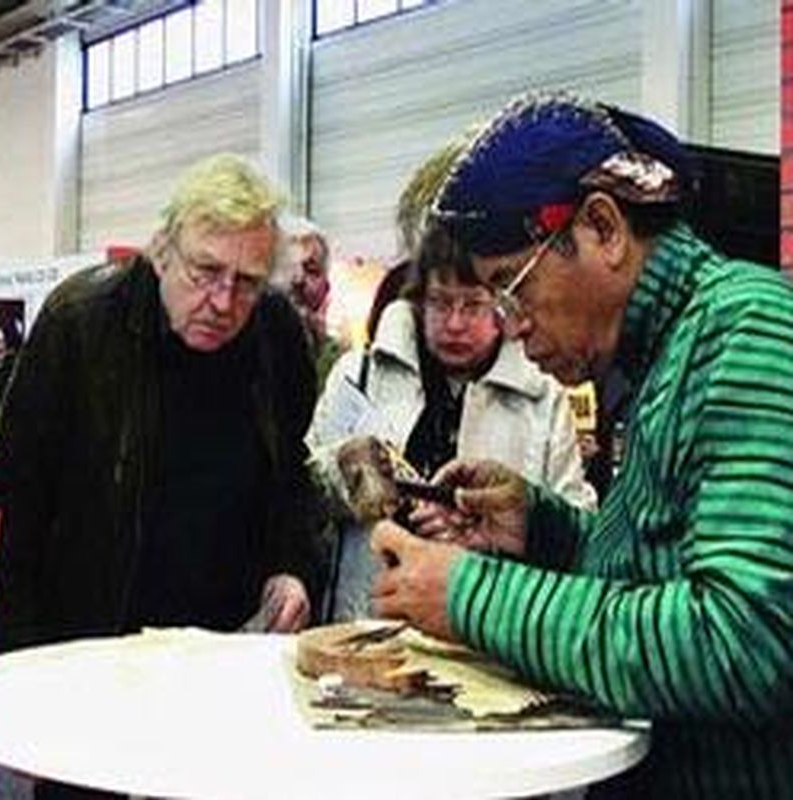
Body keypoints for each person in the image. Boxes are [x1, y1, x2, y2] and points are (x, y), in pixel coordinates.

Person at [369, 92, 793, 798]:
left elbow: (745, 642)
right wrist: (545, 531)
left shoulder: (746, 333)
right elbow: (665, 569)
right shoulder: (667, 352)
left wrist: (472, 595)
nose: (512, 326)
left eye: (510, 287)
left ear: (603, 228)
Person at [0, 156, 322, 789]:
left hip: (229, 657)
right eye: (205, 272)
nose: (223, 302)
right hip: (94, 654)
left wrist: (292, 564)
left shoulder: (275, 333)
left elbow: (291, 474)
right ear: (162, 251)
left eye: (247, 282)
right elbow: (13, 505)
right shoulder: (80, 323)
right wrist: (19, 676)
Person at [309, 221, 594, 621]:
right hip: (367, 622)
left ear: (503, 306)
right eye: (440, 303)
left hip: (483, 628)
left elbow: (574, 523)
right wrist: (349, 474)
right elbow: (302, 492)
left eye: (473, 305)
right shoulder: (360, 375)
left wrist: (492, 535)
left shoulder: (542, 397)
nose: (455, 324)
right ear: (418, 301)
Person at [274, 215, 346, 389]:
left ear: (326, 288)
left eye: (311, 269)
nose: (298, 279)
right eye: (287, 268)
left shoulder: (342, 364)